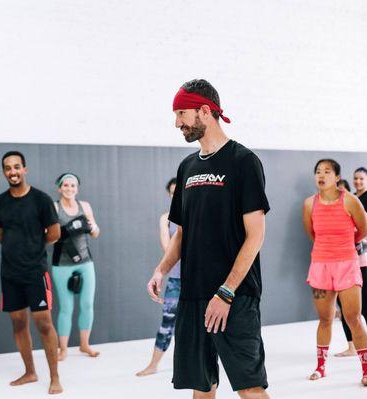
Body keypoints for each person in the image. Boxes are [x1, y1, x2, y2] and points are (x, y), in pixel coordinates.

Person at [147, 79, 271, 398]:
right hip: (194, 295)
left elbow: (255, 236)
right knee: (202, 388)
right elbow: (182, 232)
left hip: (234, 297)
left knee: (250, 389)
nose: (177, 123)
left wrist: (227, 292)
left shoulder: (243, 161)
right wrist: (161, 269)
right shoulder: (187, 167)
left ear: (204, 111)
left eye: (181, 114)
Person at [0, 151, 63, 395]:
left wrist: (31, 246)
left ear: (25, 169)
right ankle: (30, 372)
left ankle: (54, 377)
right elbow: (1, 235)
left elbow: (54, 234)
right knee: (19, 324)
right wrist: (17, 249)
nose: (12, 171)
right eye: (8, 168)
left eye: (16, 167)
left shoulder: (41, 200)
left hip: (35, 272)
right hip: (9, 274)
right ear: (4, 172)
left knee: (44, 324)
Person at [302, 159, 367, 385]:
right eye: (318, 172)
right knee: (325, 319)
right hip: (321, 266)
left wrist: (344, 247)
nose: (321, 175)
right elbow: (312, 233)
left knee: (353, 318)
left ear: (337, 177)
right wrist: (326, 250)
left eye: (327, 171)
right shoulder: (309, 204)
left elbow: (364, 229)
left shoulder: (350, 200)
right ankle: (321, 367)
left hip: (347, 264)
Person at [51, 173, 100, 361]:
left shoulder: (85, 206)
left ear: (77, 189)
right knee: (66, 307)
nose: (69, 188)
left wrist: (93, 226)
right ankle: (62, 349)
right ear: (59, 188)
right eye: (66, 185)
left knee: (87, 304)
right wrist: (68, 229)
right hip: (62, 263)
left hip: (85, 261)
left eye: (73, 186)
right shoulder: (55, 207)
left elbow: (95, 233)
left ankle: (84, 345)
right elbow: (50, 237)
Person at [137, 177, 181, 377]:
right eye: (173, 193)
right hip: (176, 279)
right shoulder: (166, 218)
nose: (176, 195)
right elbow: (167, 248)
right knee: (167, 322)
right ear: (169, 195)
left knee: (205, 324)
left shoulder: (198, 213)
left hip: (200, 280)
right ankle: (153, 364)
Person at [335, 167, 367, 357]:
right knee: (345, 308)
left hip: (360, 260)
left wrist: (356, 246)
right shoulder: (349, 200)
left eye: (361, 178)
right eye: (355, 178)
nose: (358, 181)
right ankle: (351, 346)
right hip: (342, 261)